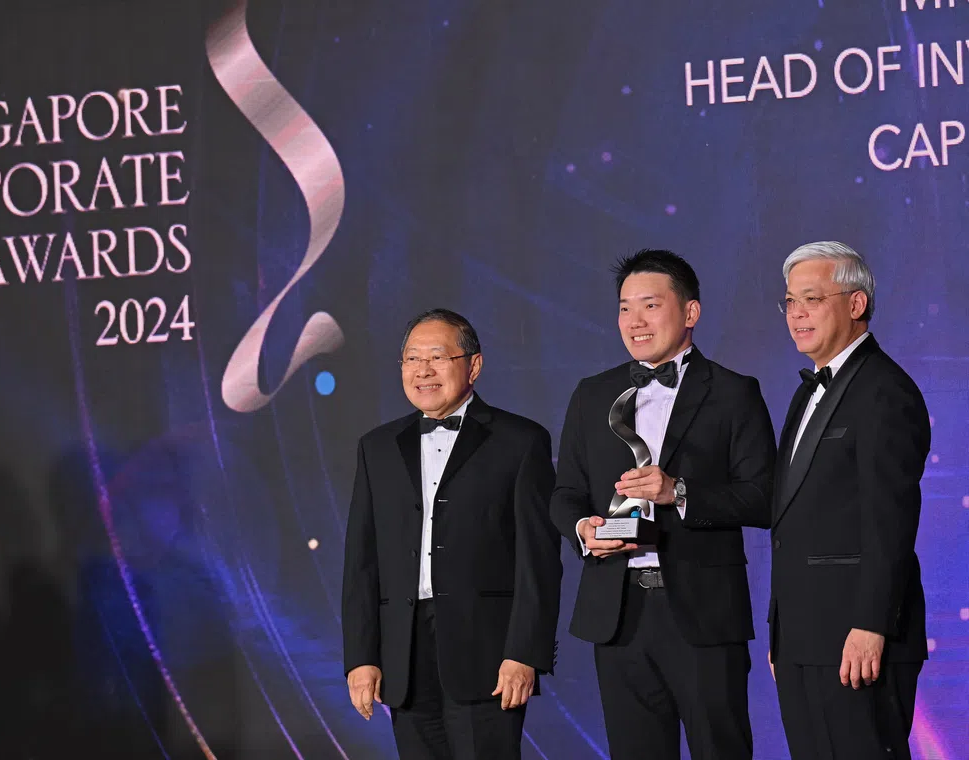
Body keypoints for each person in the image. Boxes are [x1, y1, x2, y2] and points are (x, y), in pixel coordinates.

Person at [550, 249, 775, 760]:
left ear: (690, 312)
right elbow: (565, 493)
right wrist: (583, 528)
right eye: (625, 308)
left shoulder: (734, 393)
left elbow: (763, 497)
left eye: (650, 305)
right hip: (617, 612)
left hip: (701, 613)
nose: (635, 321)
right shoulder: (592, 394)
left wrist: (679, 493)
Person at [341, 308, 562, 760]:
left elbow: (538, 558)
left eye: (437, 357)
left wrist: (525, 652)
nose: (422, 370)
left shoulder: (520, 441)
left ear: (473, 365)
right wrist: (361, 657)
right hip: (403, 655)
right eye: (412, 358)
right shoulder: (376, 447)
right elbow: (361, 560)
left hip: (489, 655)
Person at [769, 241, 929, 760]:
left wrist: (871, 624)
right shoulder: (807, 392)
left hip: (856, 639)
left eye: (812, 299)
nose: (797, 314)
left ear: (856, 303)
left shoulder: (885, 390)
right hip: (804, 639)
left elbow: (891, 521)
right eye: (790, 302)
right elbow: (791, 512)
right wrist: (782, 630)